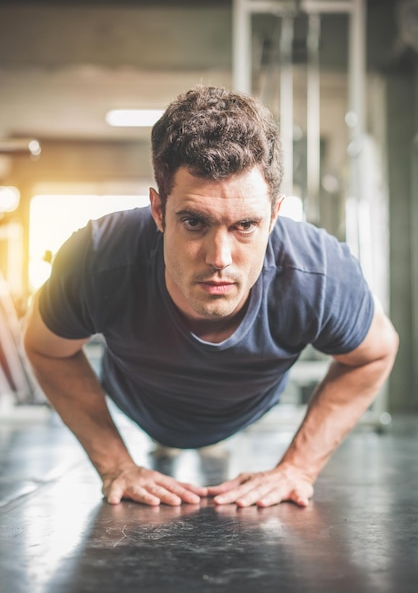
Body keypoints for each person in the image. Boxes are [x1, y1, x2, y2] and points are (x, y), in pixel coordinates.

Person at [23, 85, 398, 509]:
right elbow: (46, 348)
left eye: (245, 226)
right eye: (195, 222)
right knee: (165, 448)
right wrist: (116, 465)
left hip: (244, 413)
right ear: (159, 212)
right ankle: (169, 446)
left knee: (212, 450)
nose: (220, 258)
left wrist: (297, 469)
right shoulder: (97, 258)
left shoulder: (319, 273)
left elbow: (376, 353)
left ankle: (206, 445)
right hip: (140, 406)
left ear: (274, 216)